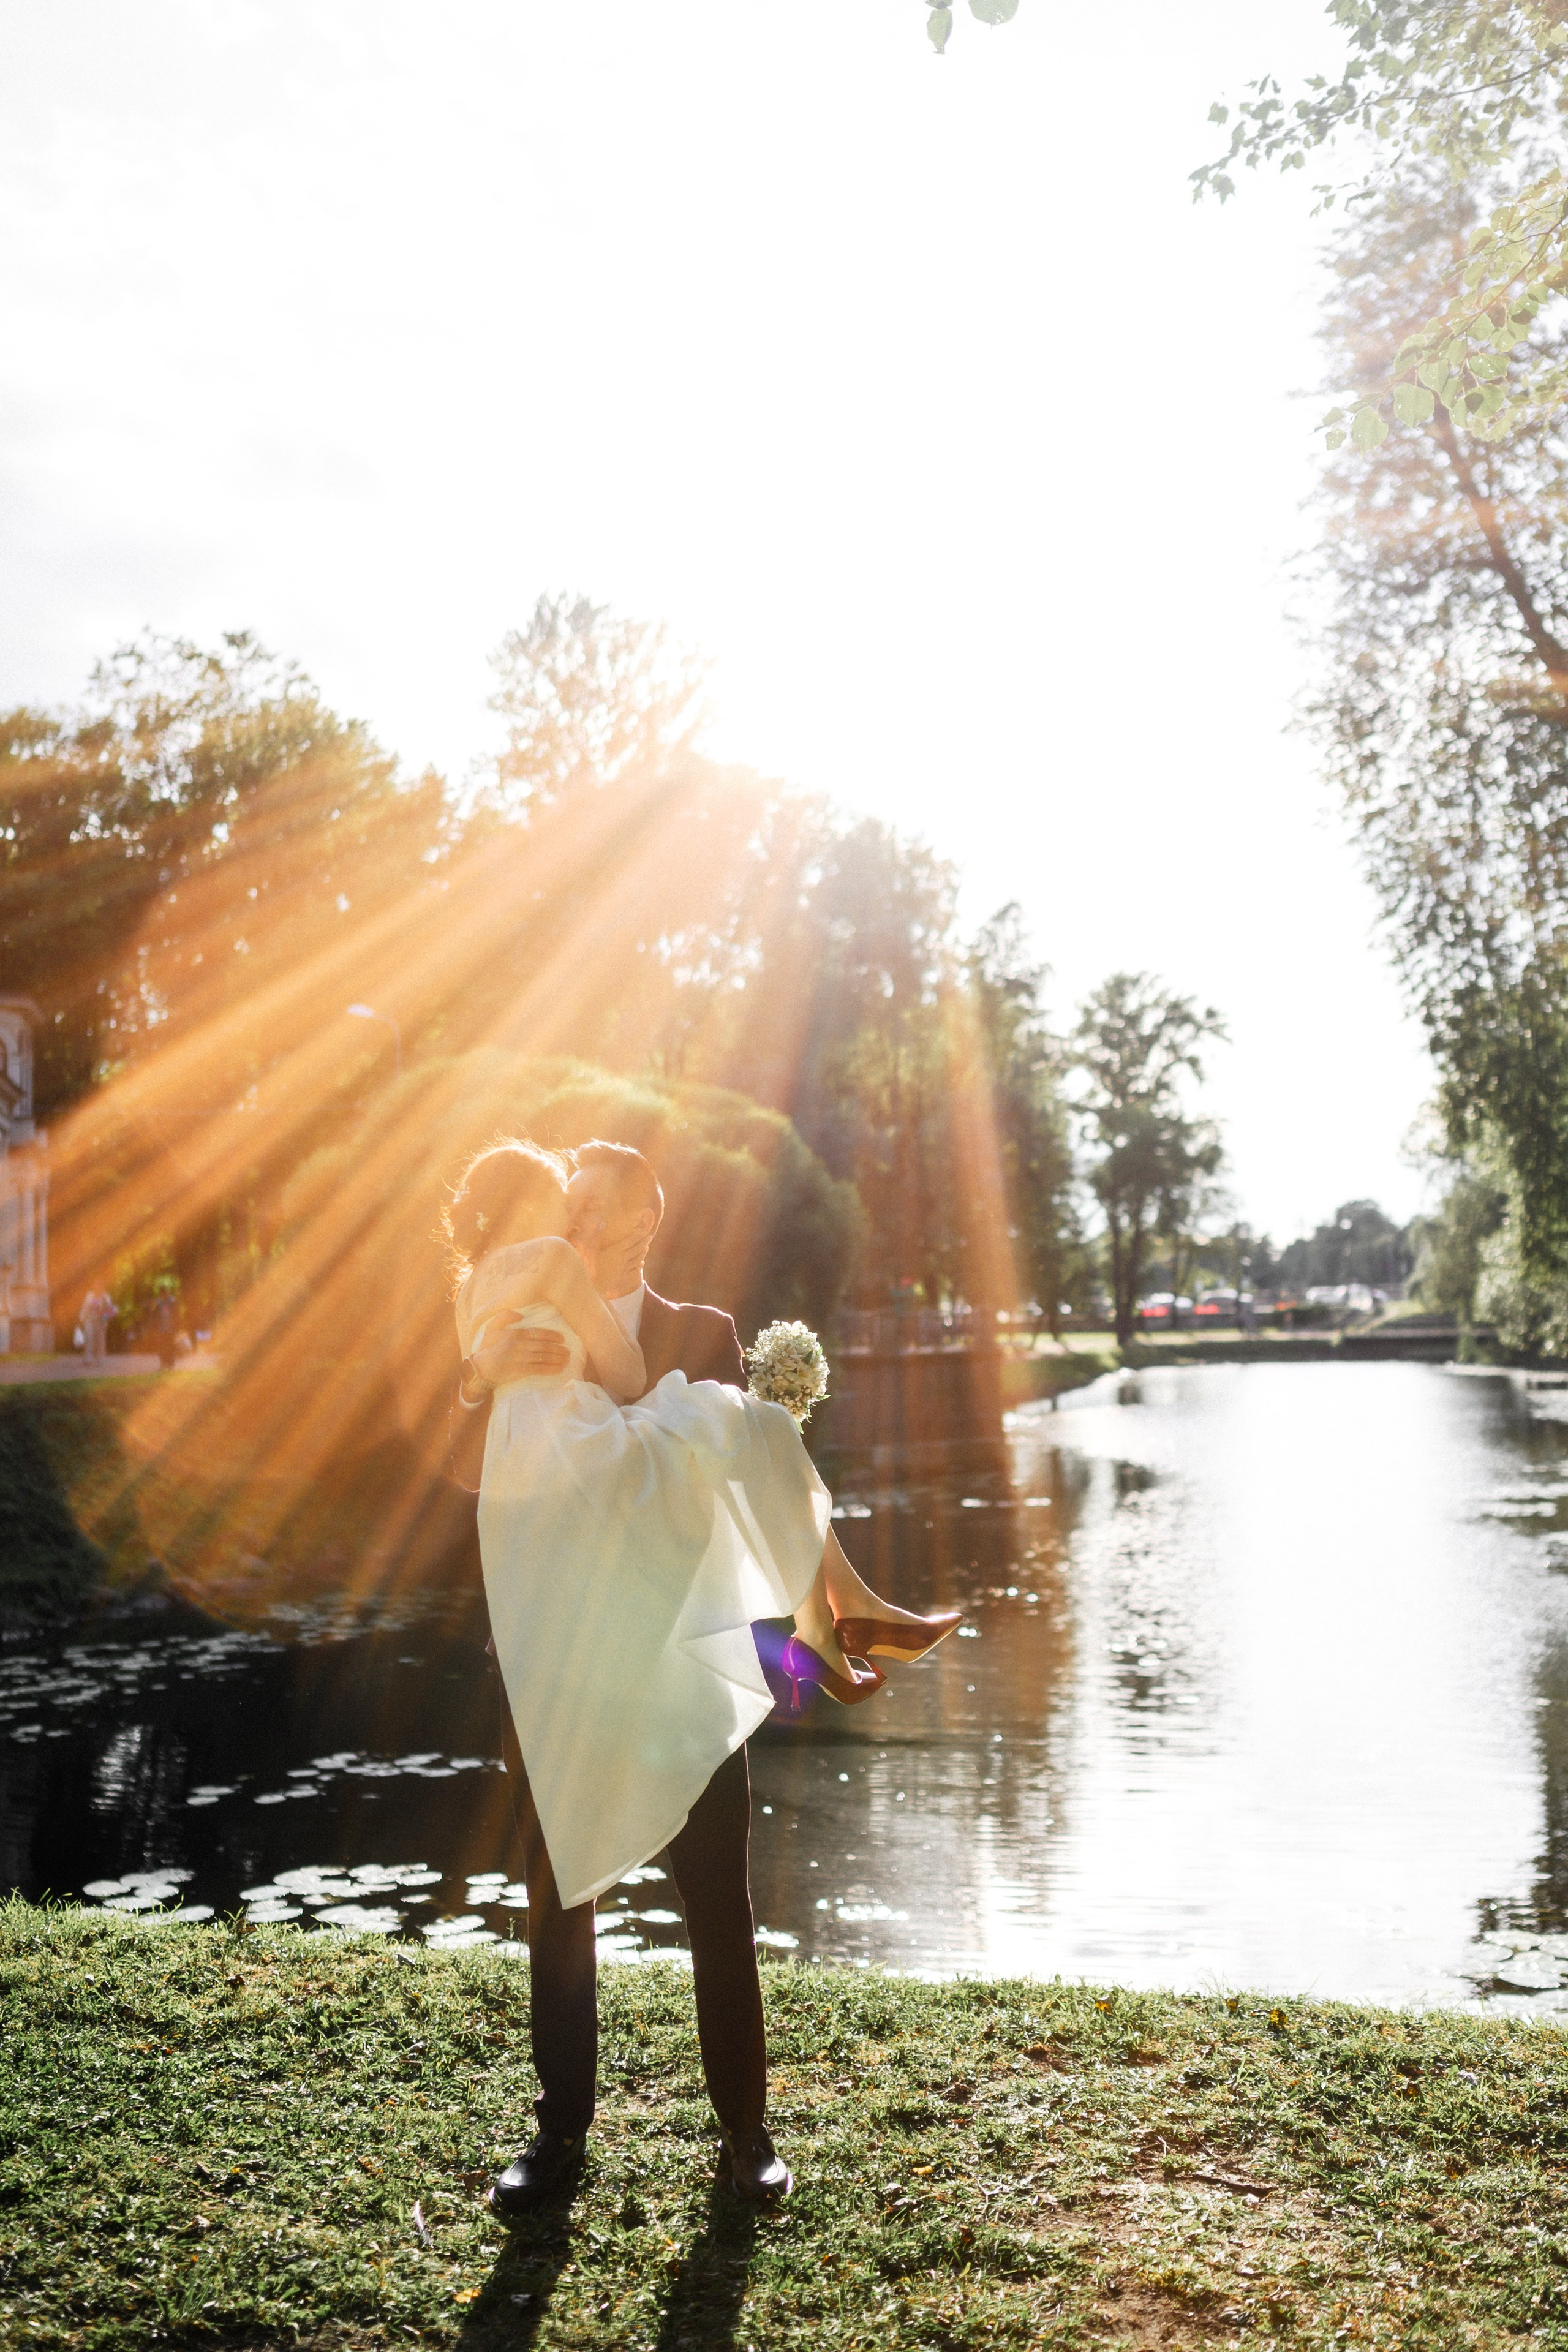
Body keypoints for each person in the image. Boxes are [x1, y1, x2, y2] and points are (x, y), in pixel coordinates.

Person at [446, 1137, 957, 2215]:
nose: (575, 1220)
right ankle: (558, 2139)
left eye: (596, 1204)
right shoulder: (516, 1310)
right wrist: (478, 1378)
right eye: (566, 1201)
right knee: (558, 1898)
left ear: (645, 1219)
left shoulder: (703, 1333)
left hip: (678, 1656)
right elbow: (460, 1468)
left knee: (719, 1899)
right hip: (551, 1660)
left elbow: (734, 1496)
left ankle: (747, 2135)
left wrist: (771, 1652)